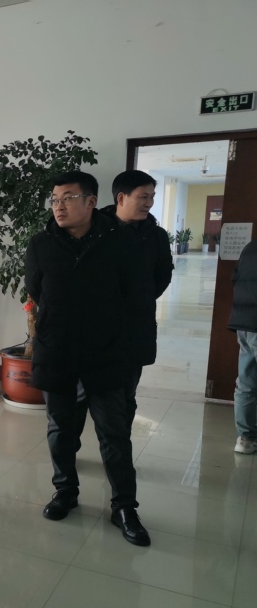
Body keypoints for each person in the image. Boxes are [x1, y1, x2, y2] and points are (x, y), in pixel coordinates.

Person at [26, 170, 150, 546]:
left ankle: (124, 507)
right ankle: (65, 491)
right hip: (58, 352)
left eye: (68, 197)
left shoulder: (121, 242)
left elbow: (135, 296)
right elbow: (36, 292)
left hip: (106, 354)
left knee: (115, 434)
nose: (58, 206)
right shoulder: (41, 244)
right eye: (54, 199)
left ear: (91, 202)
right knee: (60, 431)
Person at [102, 170, 174, 426]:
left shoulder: (156, 236)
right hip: (96, 326)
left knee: (126, 393)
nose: (149, 203)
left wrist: (138, 297)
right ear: (121, 198)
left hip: (135, 326)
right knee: (84, 395)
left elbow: (162, 276)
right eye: (143, 197)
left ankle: (120, 443)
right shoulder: (95, 230)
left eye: (152, 197)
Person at [228, 238, 257, 455]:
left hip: (244, 322)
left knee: (246, 382)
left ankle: (245, 439)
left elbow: (235, 278)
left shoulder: (250, 247)